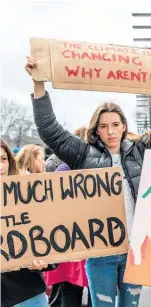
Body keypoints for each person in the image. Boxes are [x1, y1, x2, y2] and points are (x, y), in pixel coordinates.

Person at [25, 55, 151, 307]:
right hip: (100, 254)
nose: (110, 131)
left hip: (135, 251)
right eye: (103, 126)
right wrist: (38, 85)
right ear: (96, 129)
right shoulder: (82, 154)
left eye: (115, 125)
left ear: (124, 126)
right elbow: (49, 129)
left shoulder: (139, 151)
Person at [1, 139, 58, 307]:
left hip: (26, 294)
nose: (0, 167)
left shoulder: (29, 196)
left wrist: (45, 261)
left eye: (3, 159)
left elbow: (52, 239)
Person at [44, 127, 91, 307]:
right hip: (71, 244)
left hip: (81, 242)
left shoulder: (93, 169)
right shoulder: (63, 171)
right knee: (73, 293)